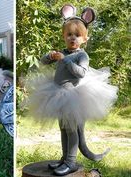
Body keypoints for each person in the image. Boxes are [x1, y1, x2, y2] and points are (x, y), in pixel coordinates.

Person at [24, 4, 118, 176]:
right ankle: (65, 158)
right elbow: (43, 62)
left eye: (77, 35)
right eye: (69, 35)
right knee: (63, 128)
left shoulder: (82, 55)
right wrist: (50, 56)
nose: (73, 38)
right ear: (64, 36)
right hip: (57, 93)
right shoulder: (62, 52)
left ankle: (71, 161)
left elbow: (81, 73)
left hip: (73, 96)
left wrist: (65, 60)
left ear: (84, 39)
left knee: (72, 129)